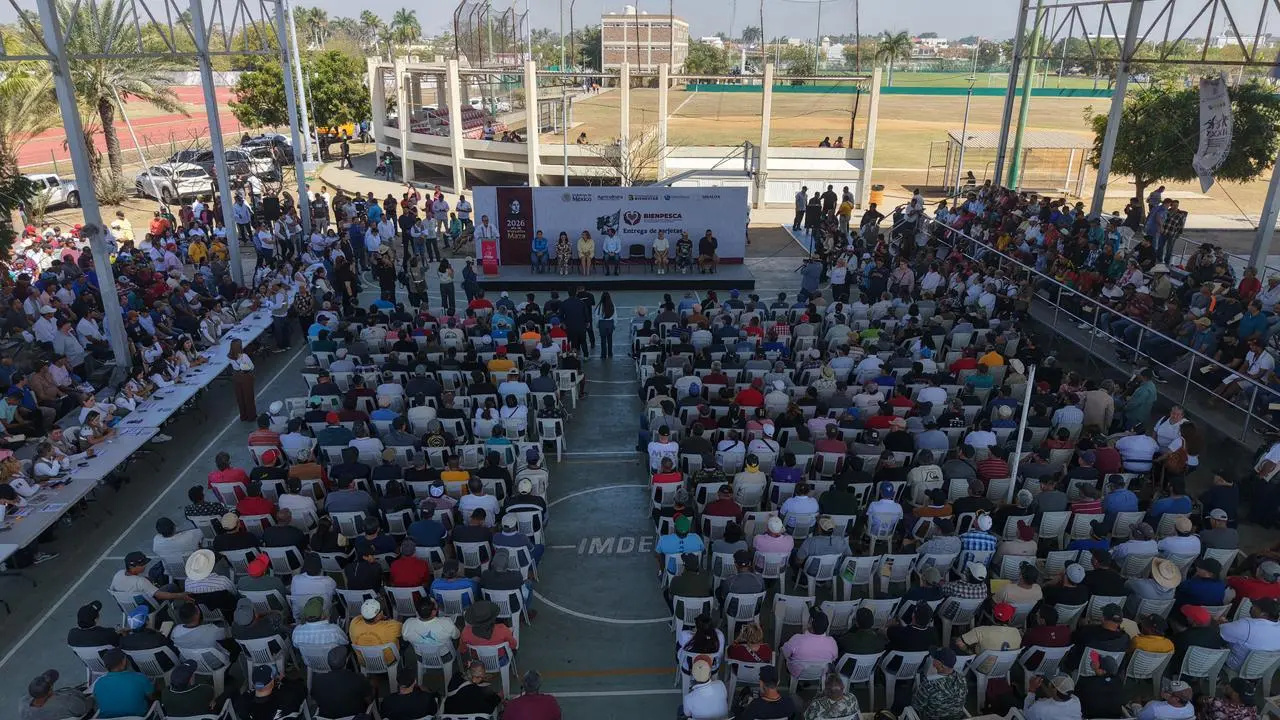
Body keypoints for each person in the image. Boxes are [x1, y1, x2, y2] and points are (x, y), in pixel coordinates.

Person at [93, 648, 156, 719]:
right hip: (138, 717)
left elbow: (98, 703)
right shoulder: (139, 677)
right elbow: (151, 696)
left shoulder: (98, 683)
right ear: (124, 661)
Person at [911, 648, 968, 720]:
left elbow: (917, 705)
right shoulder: (962, 679)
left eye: (934, 658)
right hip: (957, 717)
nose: (932, 659)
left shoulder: (929, 683)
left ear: (940, 665)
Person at [20, 668, 95, 720]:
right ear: (49, 691)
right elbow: (84, 708)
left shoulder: (23, 702)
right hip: (83, 712)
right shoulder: (65, 702)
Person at [682, 656, 729, 720]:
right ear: (709, 674)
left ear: (692, 676)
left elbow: (687, 714)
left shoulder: (688, 698)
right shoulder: (720, 684)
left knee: (680, 710)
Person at [228, 338, 256, 421]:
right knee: (248, 397)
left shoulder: (229, 357)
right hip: (245, 377)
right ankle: (251, 416)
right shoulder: (244, 356)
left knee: (240, 397)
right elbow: (252, 366)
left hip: (236, 376)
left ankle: (243, 416)